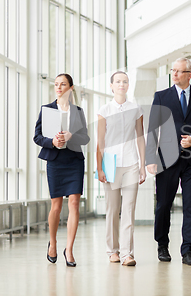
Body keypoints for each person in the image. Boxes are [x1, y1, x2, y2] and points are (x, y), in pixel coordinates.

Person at [146, 57, 191, 266]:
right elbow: (152, 130)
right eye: (173, 70)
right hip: (166, 160)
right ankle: (162, 245)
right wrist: (150, 158)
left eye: (179, 71)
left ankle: (188, 251)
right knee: (164, 204)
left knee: (189, 206)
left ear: (189, 74)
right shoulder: (161, 96)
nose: (174, 74)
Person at [33, 73, 90, 267]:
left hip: (74, 161)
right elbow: (37, 136)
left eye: (62, 84)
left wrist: (71, 135)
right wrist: (52, 142)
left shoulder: (78, 111)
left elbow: (85, 138)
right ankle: (53, 243)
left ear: (70, 88)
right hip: (55, 161)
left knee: (74, 203)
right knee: (56, 206)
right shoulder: (47, 109)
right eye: (56, 84)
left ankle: (70, 249)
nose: (58, 87)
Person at [96, 71, 146, 267]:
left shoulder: (136, 109)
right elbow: (100, 141)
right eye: (118, 81)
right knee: (113, 209)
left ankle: (127, 254)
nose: (122, 84)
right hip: (110, 163)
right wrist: (99, 168)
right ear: (111, 85)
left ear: (128, 85)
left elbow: (140, 137)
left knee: (129, 209)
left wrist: (142, 165)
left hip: (132, 163)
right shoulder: (104, 110)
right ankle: (113, 251)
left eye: (125, 81)